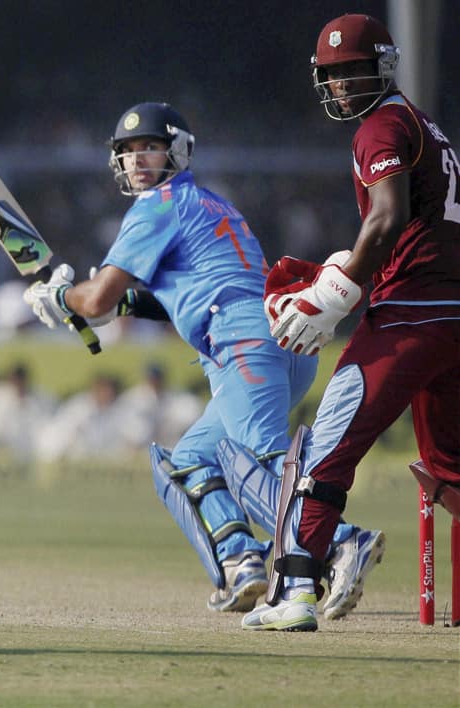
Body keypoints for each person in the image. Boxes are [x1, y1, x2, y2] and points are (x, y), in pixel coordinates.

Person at [23, 102, 382, 617]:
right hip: (276, 334)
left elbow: (98, 299)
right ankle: (243, 561)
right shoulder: (209, 202)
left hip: (241, 337)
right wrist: (94, 299)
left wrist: (62, 299)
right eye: (126, 152)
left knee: (257, 464)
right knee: (187, 460)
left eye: (149, 146)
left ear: (178, 151)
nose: (137, 159)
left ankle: (344, 541)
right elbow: (160, 297)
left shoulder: (155, 206)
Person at [239, 14, 460, 631]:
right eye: (332, 75)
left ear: (380, 69)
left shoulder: (382, 125)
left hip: (409, 315)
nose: (340, 85)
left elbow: (386, 220)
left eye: (351, 72)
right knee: (451, 473)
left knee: (324, 449)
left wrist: (339, 293)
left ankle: (298, 592)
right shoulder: (424, 125)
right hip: (452, 313)